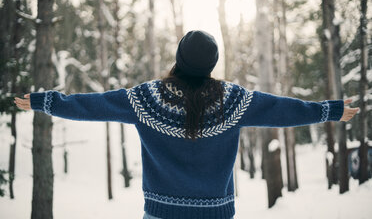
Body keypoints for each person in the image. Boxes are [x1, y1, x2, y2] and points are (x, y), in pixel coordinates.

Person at [15, 30, 358, 219]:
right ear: (212, 64)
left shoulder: (144, 98)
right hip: (217, 214)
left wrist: (47, 102)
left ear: (178, 59)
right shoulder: (233, 100)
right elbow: (283, 110)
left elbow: (94, 105)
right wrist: (329, 110)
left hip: (160, 214)